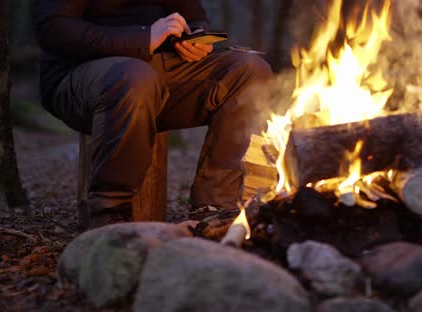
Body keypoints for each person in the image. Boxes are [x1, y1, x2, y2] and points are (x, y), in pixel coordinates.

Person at [35, 1, 273, 229]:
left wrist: (194, 38)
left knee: (250, 71)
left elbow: (194, 16)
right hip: (81, 73)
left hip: (157, 69)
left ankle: (215, 208)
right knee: (135, 77)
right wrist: (143, 37)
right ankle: (109, 213)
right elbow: (53, 29)